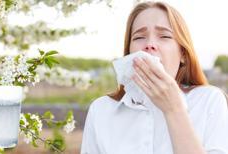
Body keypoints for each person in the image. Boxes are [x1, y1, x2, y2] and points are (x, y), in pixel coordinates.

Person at [81, 1, 228, 154]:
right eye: (139, 37)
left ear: (183, 54)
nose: (150, 44)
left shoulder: (209, 102)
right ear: (129, 52)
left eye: (164, 36)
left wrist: (174, 109)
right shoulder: (101, 110)